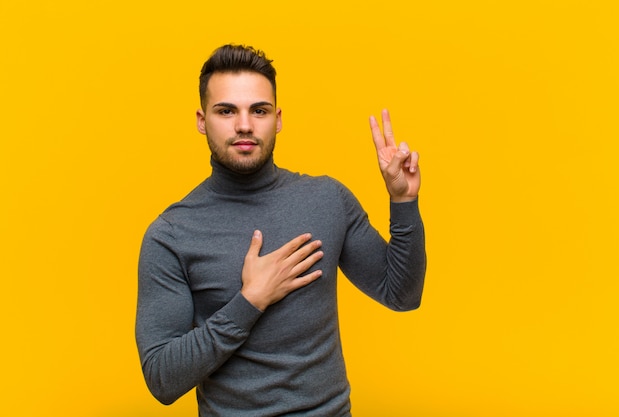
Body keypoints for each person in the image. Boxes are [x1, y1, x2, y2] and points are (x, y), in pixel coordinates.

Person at [135, 44, 426, 417]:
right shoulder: (171, 234)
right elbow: (162, 379)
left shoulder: (327, 200)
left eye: (259, 110)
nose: (244, 125)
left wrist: (403, 203)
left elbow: (402, 294)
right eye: (226, 111)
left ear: (278, 118)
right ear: (202, 119)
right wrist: (250, 301)